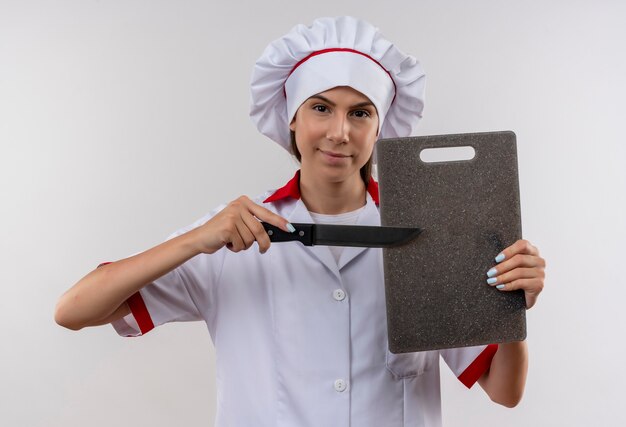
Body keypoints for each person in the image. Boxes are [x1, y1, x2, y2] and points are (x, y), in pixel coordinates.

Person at [55, 16, 545, 427]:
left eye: (359, 113)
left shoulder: (426, 237)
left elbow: (504, 391)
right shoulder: (232, 234)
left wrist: (510, 306)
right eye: (320, 108)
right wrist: (194, 241)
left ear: (380, 127)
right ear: (291, 116)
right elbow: (74, 309)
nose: (339, 132)